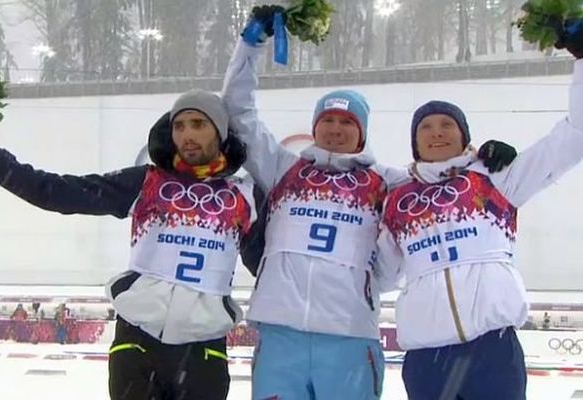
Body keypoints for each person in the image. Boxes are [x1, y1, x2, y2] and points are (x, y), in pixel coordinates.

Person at [221, 7, 517, 399]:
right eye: (328, 120)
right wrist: (251, 45)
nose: (336, 129)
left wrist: (480, 159)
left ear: (361, 133)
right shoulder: (283, 170)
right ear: (315, 127)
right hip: (281, 335)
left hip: (349, 338)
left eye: (348, 123)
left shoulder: (388, 183)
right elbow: (239, 112)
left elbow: (441, 179)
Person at [0, 89, 260, 400]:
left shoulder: (245, 196)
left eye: (198, 124)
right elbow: (55, 192)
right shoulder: (147, 182)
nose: (187, 135)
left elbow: (268, 267)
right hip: (138, 342)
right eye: (179, 126)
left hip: (204, 348)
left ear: (220, 132)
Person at [377, 41, 583, 399]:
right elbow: (379, 275)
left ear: (464, 137)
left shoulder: (495, 179)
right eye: (426, 127)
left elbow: (573, 137)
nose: (437, 132)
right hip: (427, 360)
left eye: (446, 125)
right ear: (415, 141)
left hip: (493, 352)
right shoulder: (397, 200)